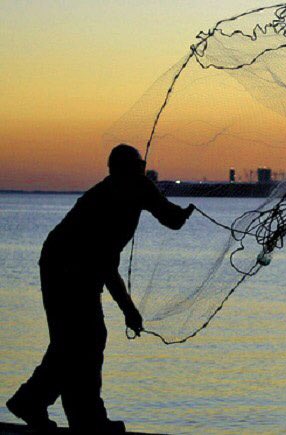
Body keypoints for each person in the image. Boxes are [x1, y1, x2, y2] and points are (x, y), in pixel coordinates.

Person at [6, 144, 194, 433]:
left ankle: (56, 409)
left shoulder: (139, 187)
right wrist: (129, 309)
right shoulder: (105, 199)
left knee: (76, 341)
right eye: (135, 167)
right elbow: (104, 264)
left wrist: (181, 214)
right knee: (83, 339)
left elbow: (169, 218)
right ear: (116, 171)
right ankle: (70, 413)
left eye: (141, 167)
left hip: (77, 267)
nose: (140, 172)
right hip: (62, 267)